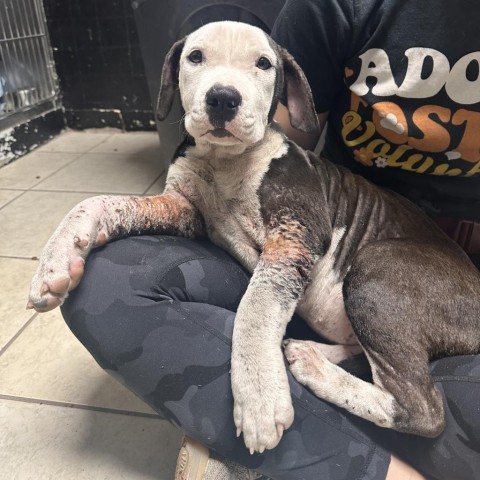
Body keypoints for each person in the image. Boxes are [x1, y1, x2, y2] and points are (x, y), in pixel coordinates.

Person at [60, 1, 480, 479]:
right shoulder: (341, 8)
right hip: (311, 250)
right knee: (104, 286)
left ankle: (302, 439)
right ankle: (341, 429)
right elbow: (271, 147)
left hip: (442, 291)